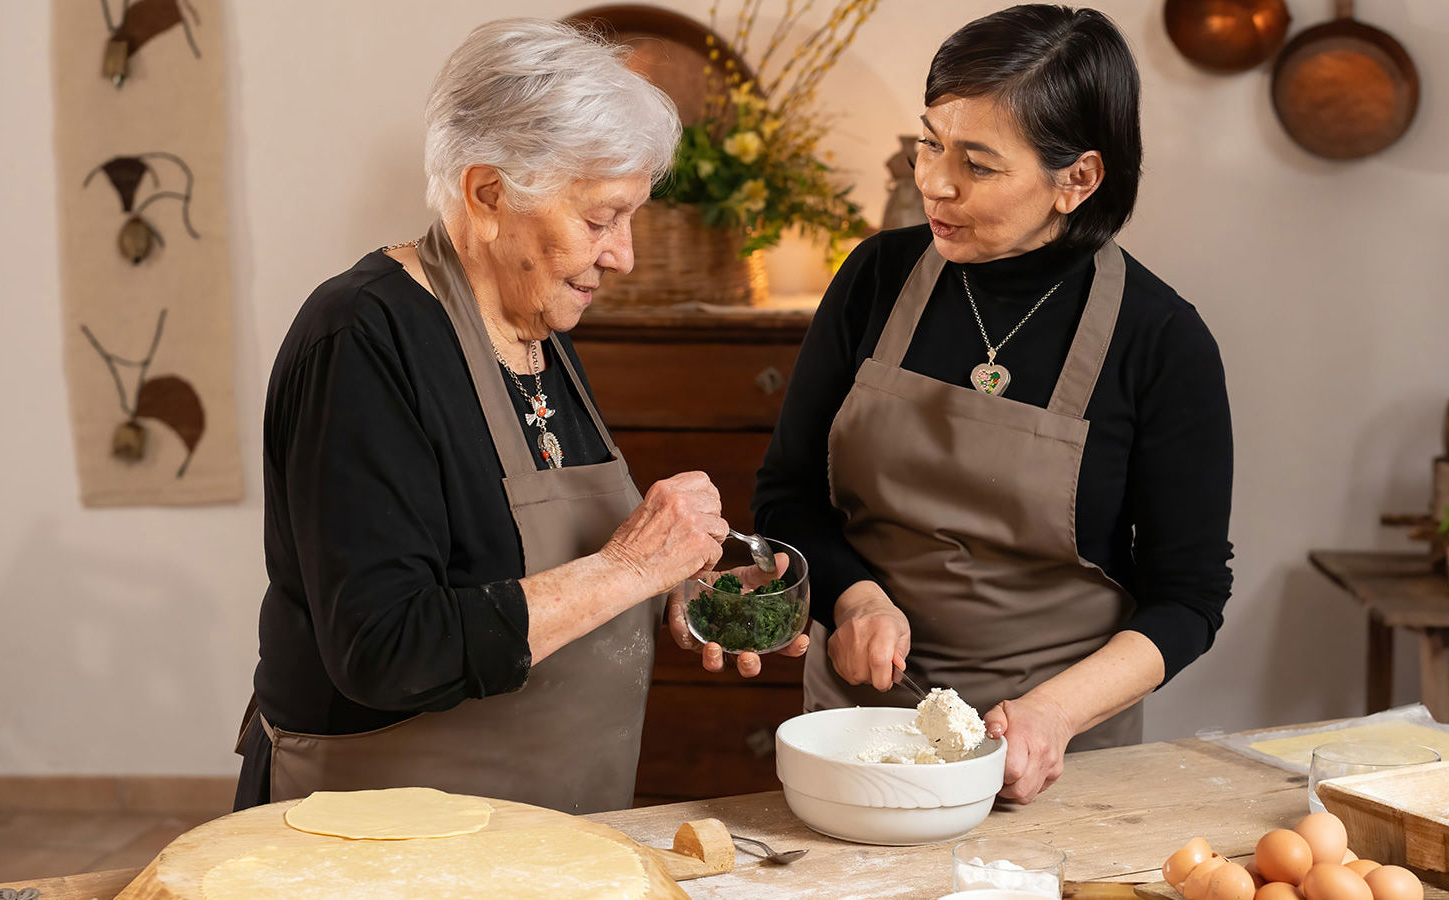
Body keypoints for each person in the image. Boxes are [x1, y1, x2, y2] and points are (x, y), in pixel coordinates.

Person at [235, 18, 804, 815]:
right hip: (379, 832)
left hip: (547, 826)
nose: (624, 256)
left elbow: (531, 573)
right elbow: (385, 649)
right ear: (488, 194)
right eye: (601, 219)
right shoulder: (361, 340)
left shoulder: (536, 330)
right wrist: (627, 570)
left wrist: (676, 585)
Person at [753, 4, 1234, 804]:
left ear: (1076, 179)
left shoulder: (1162, 341)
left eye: (978, 164)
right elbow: (787, 492)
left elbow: (1189, 598)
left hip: (1053, 752)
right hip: (863, 730)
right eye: (930, 144)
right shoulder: (876, 278)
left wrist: (1051, 714)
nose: (936, 182)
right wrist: (855, 597)